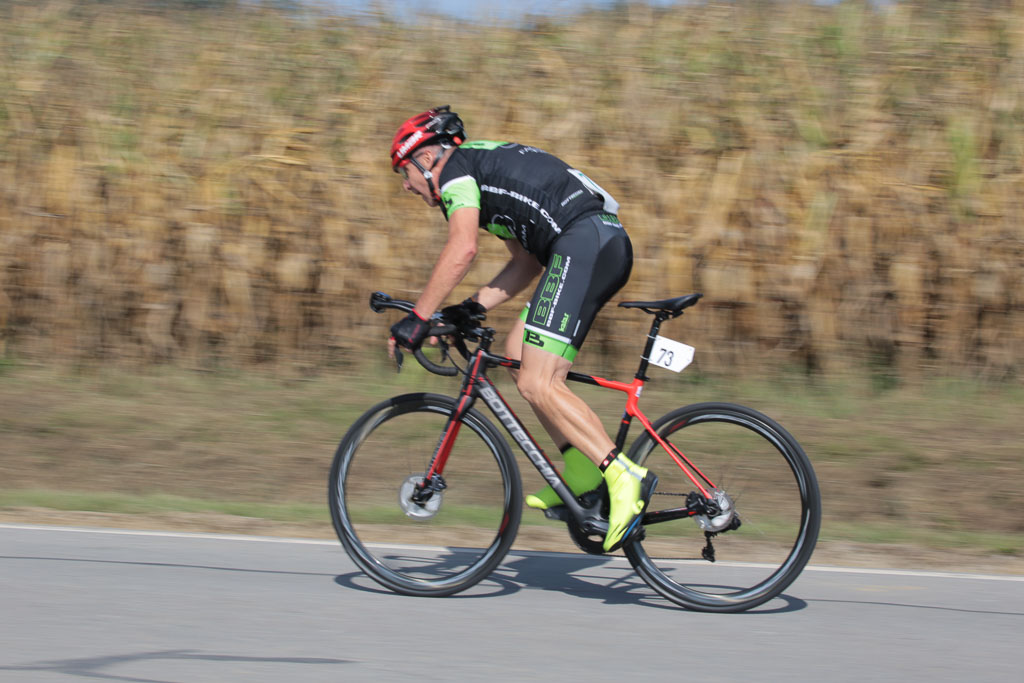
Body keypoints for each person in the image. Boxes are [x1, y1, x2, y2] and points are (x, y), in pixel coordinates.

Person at [386, 105, 657, 552]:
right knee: (517, 354)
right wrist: (469, 308)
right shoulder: (478, 167)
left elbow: (462, 248)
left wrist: (419, 317)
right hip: (591, 242)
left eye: (405, 170)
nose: (405, 184)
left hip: (584, 243)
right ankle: (583, 473)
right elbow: (526, 262)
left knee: (537, 380)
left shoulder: (454, 173)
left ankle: (623, 475)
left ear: (427, 157)